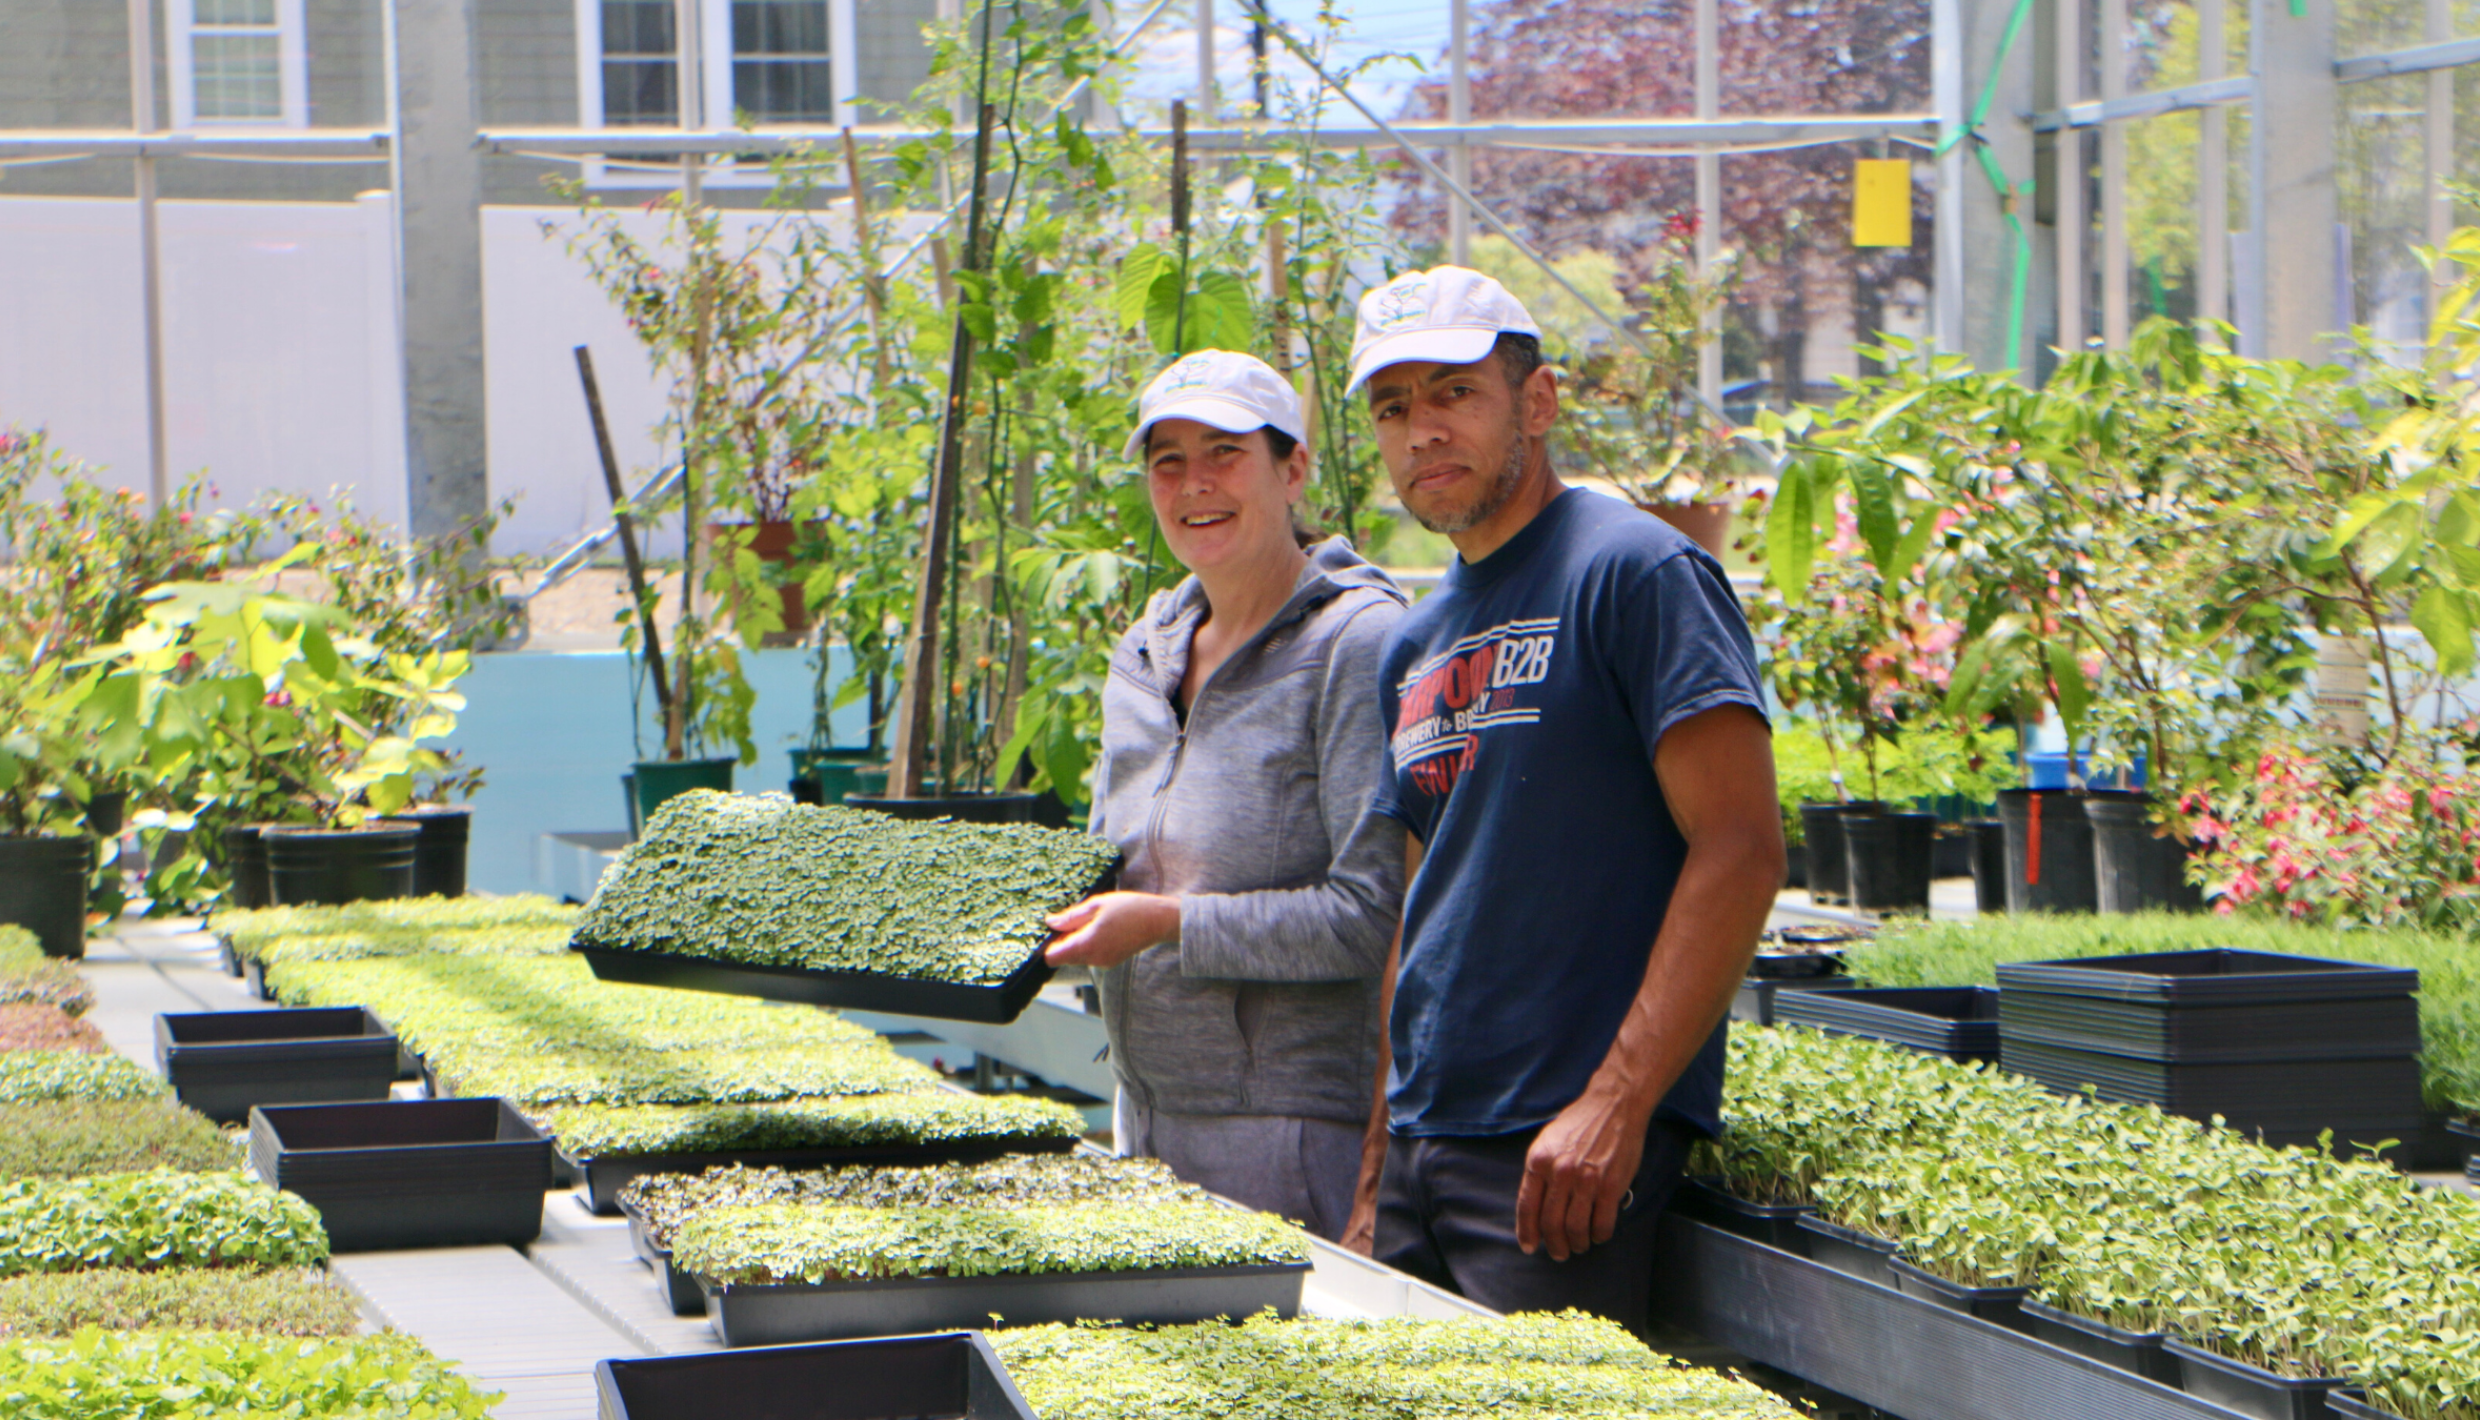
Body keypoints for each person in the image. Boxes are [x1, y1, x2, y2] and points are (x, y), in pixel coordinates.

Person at [1339, 267, 1784, 1334]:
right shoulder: (1413, 637)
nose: (1419, 433)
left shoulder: (1633, 573)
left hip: (1556, 1158)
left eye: (1452, 394)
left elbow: (1740, 847)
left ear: (1535, 405)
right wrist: (1372, 1175)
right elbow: (1421, 909)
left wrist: (1616, 1101)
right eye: (1391, 408)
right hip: (1423, 1147)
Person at [1044, 349, 1408, 1241]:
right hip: (1145, 1113)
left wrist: (1167, 926)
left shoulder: (1357, 644)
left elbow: (1371, 915)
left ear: (1293, 469)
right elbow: (1113, 855)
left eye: (1223, 453)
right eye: (1167, 459)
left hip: (1287, 1133)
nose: (1193, 484)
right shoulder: (1148, 651)